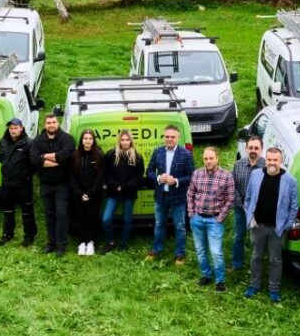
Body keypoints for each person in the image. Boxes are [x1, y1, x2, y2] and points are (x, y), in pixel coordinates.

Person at [242, 146, 299, 303]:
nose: (272, 163)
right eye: (269, 159)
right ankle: (254, 286)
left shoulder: (290, 180)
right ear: (265, 160)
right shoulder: (255, 175)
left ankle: (274, 289)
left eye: (275, 160)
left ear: (281, 161)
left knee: (275, 260)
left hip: (277, 228)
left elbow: (294, 206)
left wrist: (286, 225)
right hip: (257, 226)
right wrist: (250, 218)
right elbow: (247, 199)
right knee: (256, 257)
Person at [185, 146, 235, 291]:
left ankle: (220, 280)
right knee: (200, 250)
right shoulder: (197, 173)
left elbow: (230, 199)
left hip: (214, 221)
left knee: (216, 252)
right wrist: (191, 214)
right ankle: (206, 275)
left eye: (211, 158)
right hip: (197, 219)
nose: (208, 161)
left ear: (217, 158)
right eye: (206, 158)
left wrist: (220, 218)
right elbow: (190, 194)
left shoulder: (226, 176)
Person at [145, 125, 193, 266]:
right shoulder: (157, 152)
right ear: (164, 137)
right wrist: (159, 178)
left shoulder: (185, 154)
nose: (169, 139)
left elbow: (191, 176)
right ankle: (156, 249)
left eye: (172, 136)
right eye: (167, 136)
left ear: (178, 137)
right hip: (161, 196)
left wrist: (176, 180)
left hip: (178, 197)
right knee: (159, 224)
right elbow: (149, 172)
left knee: (180, 226)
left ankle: (179, 254)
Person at [29, 113, 75, 256]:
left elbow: (66, 156)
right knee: (49, 214)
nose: (51, 125)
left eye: (54, 122)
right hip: (46, 184)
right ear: (45, 125)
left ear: (58, 123)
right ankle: (51, 243)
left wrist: (45, 157)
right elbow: (34, 159)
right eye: (48, 123)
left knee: (61, 214)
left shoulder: (67, 138)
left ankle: (61, 245)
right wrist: (56, 159)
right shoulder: (38, 140)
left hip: (62, 185)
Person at [100, 129, 143, 251]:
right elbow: (105, 173)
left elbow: (138, 176)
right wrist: (115, 185)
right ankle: (110, 242)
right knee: (106, 219)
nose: (125, 142)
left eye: (127, 140)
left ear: (131, 141)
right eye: (122, 140)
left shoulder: (137, 157)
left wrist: (124, 186)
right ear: (119, 141)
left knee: (127, 220)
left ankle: (123, 244)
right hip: (113, 193)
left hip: (129, 194)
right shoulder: (111, 154)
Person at [0, 117, 36, 245]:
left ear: (21, 128)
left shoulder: (29, 143)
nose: (13, 131)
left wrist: (25, 175)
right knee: (8, 211)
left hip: (23, 184)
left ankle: (29, 236)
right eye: (11, 128)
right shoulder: (2, 142)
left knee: (27, 211)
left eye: (15, 128)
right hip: (7, 183)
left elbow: (33, 164)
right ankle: (7, 234)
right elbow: (1, 158)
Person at [230, 136, 265, 274]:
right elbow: (232, 187)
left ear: (261, 150)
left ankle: (254, 266)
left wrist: (252, 208)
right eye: (250, 147)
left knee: (255, 240)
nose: (253, 150)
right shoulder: (238, 165)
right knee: (238, 236)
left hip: (258, 211)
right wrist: (243, 205)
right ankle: (236, 264)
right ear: (246, 149)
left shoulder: (265, 166)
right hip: (240, 208)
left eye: (256, 148)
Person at [71, 129, 105, 255]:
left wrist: (90, 193)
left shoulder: (99, 155)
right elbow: (73, 176)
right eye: (85, 138)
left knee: (92, 217)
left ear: (93, 140)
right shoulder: (75, 155)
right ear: (82, 140)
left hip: (94, 194)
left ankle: (91, 242)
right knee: (80, 217)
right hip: (78, 194)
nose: (88, 141)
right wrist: (80, 193)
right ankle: (81, 242)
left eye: (90, 139)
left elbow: (100, 176)